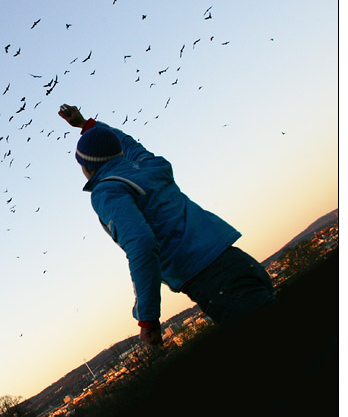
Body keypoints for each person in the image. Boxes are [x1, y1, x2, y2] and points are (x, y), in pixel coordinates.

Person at [58, 104, 278, 346]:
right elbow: (128, 143)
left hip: (215, 283)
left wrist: (147, 318)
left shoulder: (107, 190)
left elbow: (141, 245)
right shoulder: (150, 166)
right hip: (238, 262)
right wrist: (87, 126)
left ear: (88, 166)